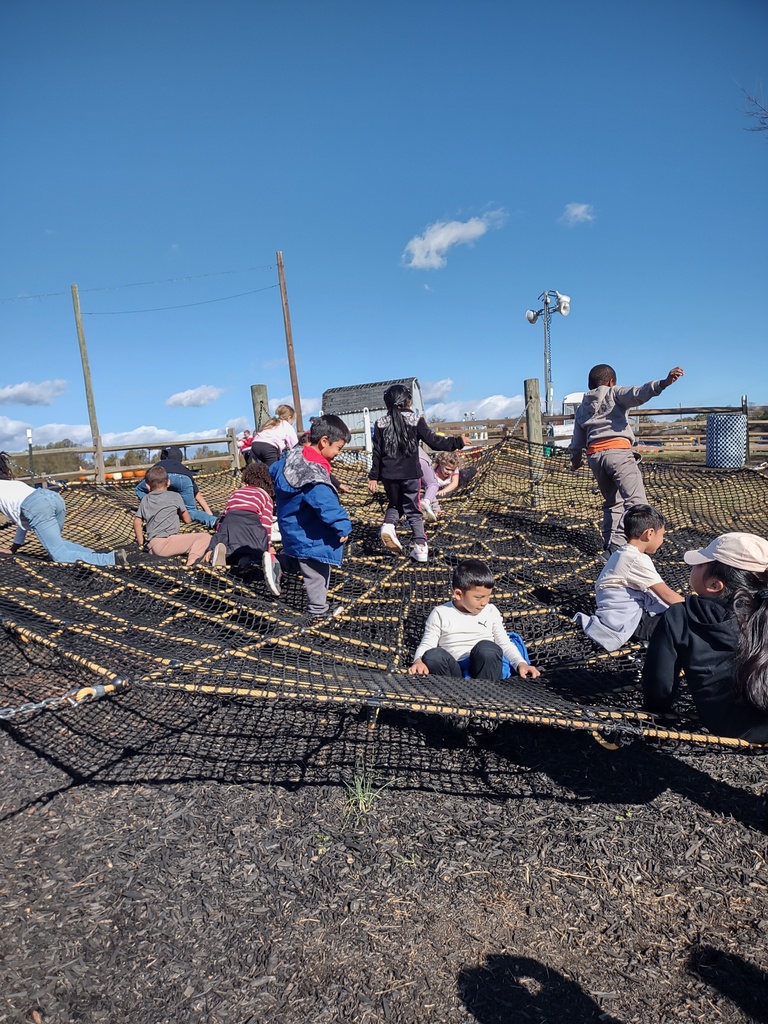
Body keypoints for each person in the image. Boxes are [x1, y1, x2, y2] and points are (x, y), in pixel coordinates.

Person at [641, 532, 768, 742]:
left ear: (714, 585)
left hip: (732, 727)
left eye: (700, 565)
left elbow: (660, 681)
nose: (694, 567)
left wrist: (656, 711)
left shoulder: (680, 616)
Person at [569, 363, 684, 553]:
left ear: (591, 384)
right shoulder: (614, 393)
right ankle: (635, 550)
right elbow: (639, 393)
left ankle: (611, 547)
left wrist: (575, 462)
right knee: (637, 504)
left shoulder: (583, 407)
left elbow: (576, 442)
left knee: (612, 503)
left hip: (595, 457)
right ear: (611, 381)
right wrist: (663, 383)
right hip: (618, 454)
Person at [367, 384, 468, 563]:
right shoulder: (415, 420)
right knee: (413, 510)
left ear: (387, 404)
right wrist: (457, 442)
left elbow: (377, 452)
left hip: (389, 475)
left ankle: (389, 526)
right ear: (408, 402)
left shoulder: (380, 423)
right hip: (410, 474)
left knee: (395, 504)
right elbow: (434, 441)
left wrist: (374, 476)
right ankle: (420, 547)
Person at [270, 415, 352, 620]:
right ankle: (318, 612)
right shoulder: (313, 474)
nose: (338, 453)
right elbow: (326, 503)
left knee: (300, 559)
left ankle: (278, 562)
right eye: (339, 448)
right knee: (317, 571)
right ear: (324, 441)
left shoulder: (294, 456)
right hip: (310, 532)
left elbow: (273, 470)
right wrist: (343, 525)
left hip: (291, 525)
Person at [573, 504, 684, 652]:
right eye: (662, 535)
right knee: (681, 627)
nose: (662, 540)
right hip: (626, 623)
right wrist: (698, 609)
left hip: (616, 617)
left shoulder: (621, 553)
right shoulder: (636, 559)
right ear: (650, 533)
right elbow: (666, 595)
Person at [408, 558, 541, 680]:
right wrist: (418, 661)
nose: (484, 602)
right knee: (433, 655)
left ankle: (486, 691)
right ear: (459, 594)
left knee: (488, 648)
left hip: (483, 668)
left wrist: (521, 663)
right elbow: (427, 643)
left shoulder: (491, 611)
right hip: (454, 671)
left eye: (488, 596)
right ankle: (453, 690)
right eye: (478, 598)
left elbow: (504, 643)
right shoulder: (441, 613)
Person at [0, 452, 127, 566]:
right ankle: (92, 556)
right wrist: (13, 549)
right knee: (59, 544)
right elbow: (22, 520)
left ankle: (111, 560)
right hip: (53, 498)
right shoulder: (14, 485)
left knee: (59, 554)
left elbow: (29, 509)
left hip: (38, 507)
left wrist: (11, 549)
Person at [208, 460, 282, 595]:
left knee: (230, 544)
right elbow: (265, 523)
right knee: (254, 549)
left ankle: (221, 554)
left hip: (229, 523)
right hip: (250, 522)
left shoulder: (238, 492)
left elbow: (225, 515)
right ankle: (247, 560)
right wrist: (268, 545)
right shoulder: (265, 496)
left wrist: (220, 532)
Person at [133, 465, 211, 566]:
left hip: (153, 545)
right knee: (205, 537)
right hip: (166, 544)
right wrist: (178, 514)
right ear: (168, 482)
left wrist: (141, 544)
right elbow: (187, 520)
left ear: (147, 486)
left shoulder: (145, 499)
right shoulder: (175, 496)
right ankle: (192, 563)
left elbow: (137, 522)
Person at [134, 446, 218, 528]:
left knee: (139, 489)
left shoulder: (158, 466)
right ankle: (213, 521)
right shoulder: (182, 468)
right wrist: (209, 512)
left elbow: (145, 483)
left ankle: (156, 508)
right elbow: (196, 494)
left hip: (160, 475)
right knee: (191, 511)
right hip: (183, 479)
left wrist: (152, 502)